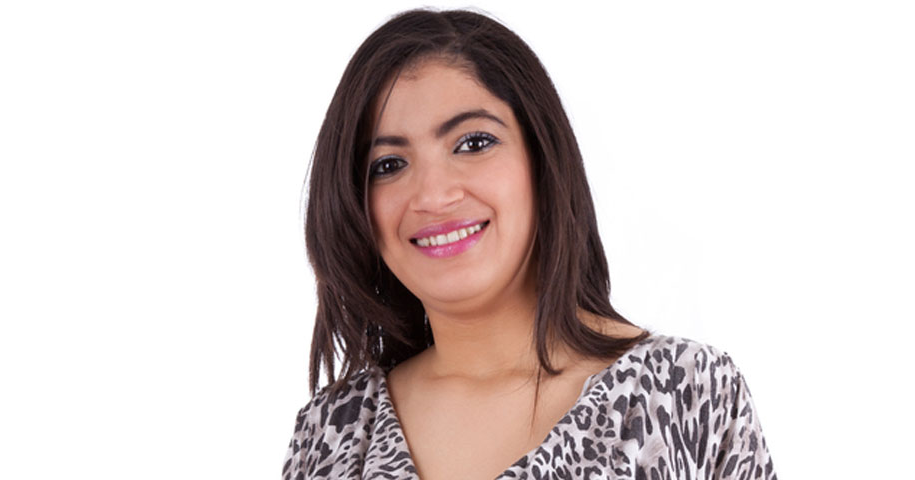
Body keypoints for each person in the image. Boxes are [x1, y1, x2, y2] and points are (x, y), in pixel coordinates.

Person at [284, 8, 776, 480]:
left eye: (473, 143)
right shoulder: (333, 430)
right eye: (389, 165)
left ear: (541, 160)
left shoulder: (685, 391)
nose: (433, 196)